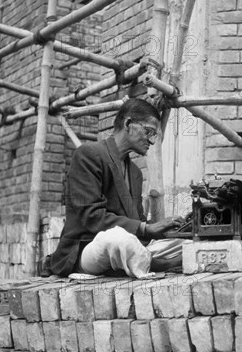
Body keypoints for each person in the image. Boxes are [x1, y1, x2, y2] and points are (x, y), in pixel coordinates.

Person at [40, 98, 187, 278]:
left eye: (155, 135)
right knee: (118, 239)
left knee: (184, 244)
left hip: (126, 248)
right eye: (149, 131)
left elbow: (137, 223)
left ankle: (147, 261)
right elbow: (92, 217)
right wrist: (146, 228)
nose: (152, 140)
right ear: (128, 124)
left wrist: (170, 231)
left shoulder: (135, 173)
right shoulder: (88, 154)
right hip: (86, 250)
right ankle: (161, 264)